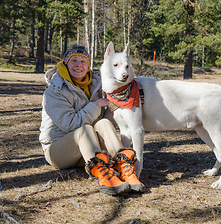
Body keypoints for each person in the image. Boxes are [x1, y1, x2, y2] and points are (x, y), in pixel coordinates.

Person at [39, 44, 145, 195]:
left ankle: (123, 166)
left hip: (87, 149)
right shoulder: (54, 90)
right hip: (57, 150)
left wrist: (114, 107)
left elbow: (100, 118)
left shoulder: (96, 84)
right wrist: (96, 105)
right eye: (73, 60)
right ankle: (105, 177)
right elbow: (70, 124)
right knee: (85, 130)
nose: (78, 65)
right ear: (65, 63)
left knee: (103, 123)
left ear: (88, 65)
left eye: (83, 61)